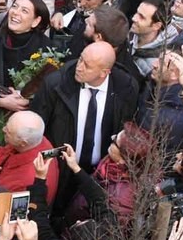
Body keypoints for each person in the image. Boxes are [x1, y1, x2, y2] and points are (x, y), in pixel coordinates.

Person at [31, 41, 138, 173]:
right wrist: (49, 161)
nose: (79, 67)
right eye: (80, 59)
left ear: (103, 73)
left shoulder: (125, 88)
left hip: (101, 173)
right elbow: (36, 129)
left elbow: (127, 128)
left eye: (87, 66)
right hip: (60, 168)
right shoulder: (56, 84)